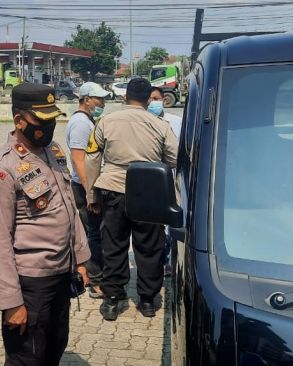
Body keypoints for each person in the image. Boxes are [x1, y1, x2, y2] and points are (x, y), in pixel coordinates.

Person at [0, 83, 91, 366]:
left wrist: (80, 259)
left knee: (54, 348)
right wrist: (12, 302)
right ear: (19, 120)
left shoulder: (52, 151)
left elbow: (70, 209)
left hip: (60, 275)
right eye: (42, 121)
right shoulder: (1, 169)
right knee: (26, 358)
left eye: (53, 119)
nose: (50, 126)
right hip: (30, 285)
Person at [86, 78, 177, 321]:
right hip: (149, 191)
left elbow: (92, 157)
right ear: (149, 99)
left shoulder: (105, 121)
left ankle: (113, 300)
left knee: (114, 246)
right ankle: (147, 300)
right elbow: (175, 158)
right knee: (149, 246)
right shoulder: (160, 124)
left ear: (125, 96)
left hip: (113, 190)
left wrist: (91, 194)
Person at [64, 82, 110, 299]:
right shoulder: (81, 124)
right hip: (84, 187)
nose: (102, 102)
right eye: (99, 98)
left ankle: (90, 276)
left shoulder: (87, 120)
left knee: (92, 232)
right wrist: (90, 192)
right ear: (86, 99)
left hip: (87, 184)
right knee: (94, 234)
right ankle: (95, 280)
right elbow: (79, 159)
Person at [148, 86, 183, 277]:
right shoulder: (143, 123)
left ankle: (170, 260)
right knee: (154, 224)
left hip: (172, 179)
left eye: (156, 98)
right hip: (151, 181)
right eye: (150, 99)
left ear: (163, 100)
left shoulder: (176, 122)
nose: (153, 102)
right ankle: (158, 260)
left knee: (172, 223)